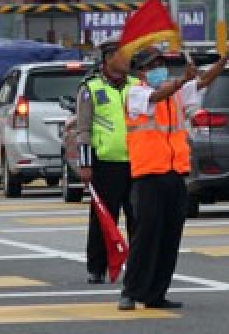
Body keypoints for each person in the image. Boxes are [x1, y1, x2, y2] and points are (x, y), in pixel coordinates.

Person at [118, 45, 229, 311]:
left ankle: (156, 293)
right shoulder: (136, 92)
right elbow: (158, 96)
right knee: (145, 236)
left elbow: (203, 81)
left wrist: (224, 61)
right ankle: (130, 291)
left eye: (161, 63)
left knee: (170, 237)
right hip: (148, 175)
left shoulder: (177, 91)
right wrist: (183, 79)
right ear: (142, 71)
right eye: (153, 65)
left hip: (175, 173)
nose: (159, 68)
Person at [75, 41, 139, 285]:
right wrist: (86, 164)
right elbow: (84, 130)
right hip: (105, 163)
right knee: (103, 218)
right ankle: (97, 267)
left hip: (136, 162)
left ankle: (137, 266)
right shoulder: (90, 88)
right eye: (121, 56)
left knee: (138, 217)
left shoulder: (136, 86)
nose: (126, 60)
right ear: (108, 59)